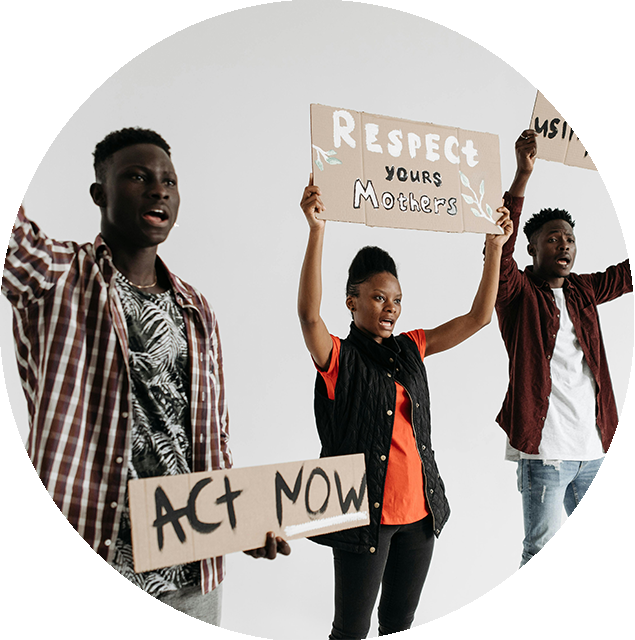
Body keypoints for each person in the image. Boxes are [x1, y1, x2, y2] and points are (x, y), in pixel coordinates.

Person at [0, 7, 288, 639]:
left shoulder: (196, 308)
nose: (157, 189)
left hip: (190, 576)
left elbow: (207, 436)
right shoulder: (57, 278)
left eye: (168, 180)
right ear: (98, 193)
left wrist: (245, 521)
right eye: (135, 176)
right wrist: (45, 68)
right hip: (90, 567)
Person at [297, 176, 512, 639]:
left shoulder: (412, 347)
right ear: (352, 302)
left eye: (396, 299)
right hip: (364, 514)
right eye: (377, 297)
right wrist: (317, 231)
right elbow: (309, 316)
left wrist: (494, 249)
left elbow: (479, 318)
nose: (389, 308)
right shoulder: (339, 358)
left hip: (419, 514)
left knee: (398, 628)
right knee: (350, 632)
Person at [494, 129, 633, 640]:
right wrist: (523, 175)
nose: (564, 245)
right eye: (552, 238)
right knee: (539, 558)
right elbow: (499, 253)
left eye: (569, 238)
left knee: (594, 549)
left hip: (593, 451)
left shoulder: (582, 291)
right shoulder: (516, 293)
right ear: (533, 247)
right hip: (545, 453)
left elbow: (629, 272)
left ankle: (570, 637)